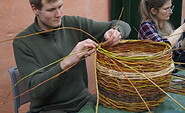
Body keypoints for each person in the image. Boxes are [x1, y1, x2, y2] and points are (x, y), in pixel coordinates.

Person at [13, 0, 131, 113]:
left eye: (60, 6)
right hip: (50, 108)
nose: (59, 14)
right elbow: (37, 90)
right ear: (35, 9)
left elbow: (122, 25)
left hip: (83, 101)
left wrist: (116, 31)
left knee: (127, 107)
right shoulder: (23, 42)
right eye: (51, 10)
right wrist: (68, 62)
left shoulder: (73, 24)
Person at [138, 0, 185, 66]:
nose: (171, 12)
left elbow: (173, 50)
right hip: (152, 70)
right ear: (154, 11)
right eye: (166, 9)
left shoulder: (165, 25)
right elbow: (163, 47)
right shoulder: (146, 26)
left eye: (170, 7)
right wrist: (181, 28)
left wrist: (183, 44)